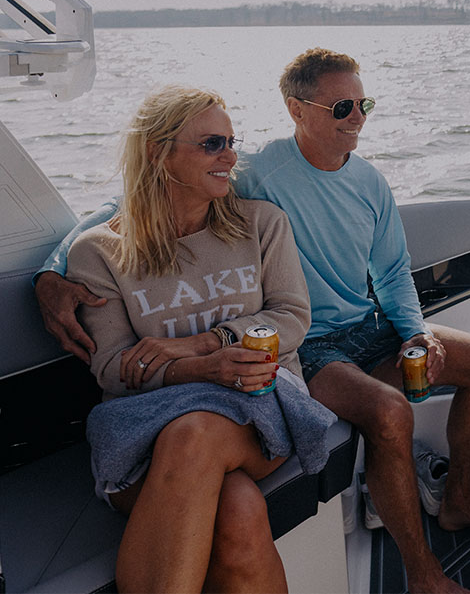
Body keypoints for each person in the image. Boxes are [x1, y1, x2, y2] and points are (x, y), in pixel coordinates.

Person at [37, 49, 470, 594]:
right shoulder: (254, 177)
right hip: (309, 346)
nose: (358, 117)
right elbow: (129, 205)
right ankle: (422, 574)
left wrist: (415, 330)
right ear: (298, 110)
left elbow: (389, 271)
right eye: (343, 106)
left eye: (364, 104)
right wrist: (52, 268)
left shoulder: (366, 184)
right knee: (382, 416)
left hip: (356, 329)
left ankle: (457, 499)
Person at [66, 86, 334, 592]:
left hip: (260, 407)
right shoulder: (99, 253)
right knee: (237, 507)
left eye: (232, 141)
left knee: (195, 435)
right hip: (147, 430)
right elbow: (112, 370)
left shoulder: (261, 224)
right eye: (212, 143)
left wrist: (205, 344)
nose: (231, 156)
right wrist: (200, 371)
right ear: (157, 152)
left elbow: (292, 318)